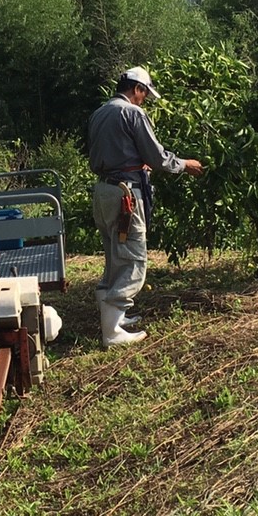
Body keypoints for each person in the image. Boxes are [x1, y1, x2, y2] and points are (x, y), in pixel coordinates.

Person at [86, 66, 203, 348]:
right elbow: (156, 155)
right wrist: (183, 164)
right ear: (137, 89)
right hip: (125, 193)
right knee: (133, 258)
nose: (145, 100)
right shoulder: (132, 113)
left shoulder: (100, 112)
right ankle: (112, 332)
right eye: (145, 94)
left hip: (104, 190)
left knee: (114, 255)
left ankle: (114, 318)